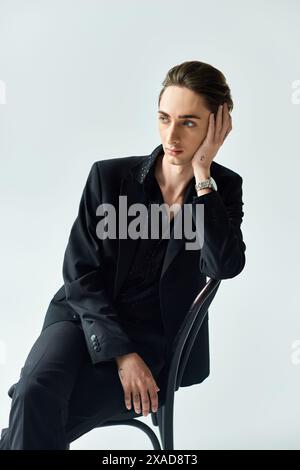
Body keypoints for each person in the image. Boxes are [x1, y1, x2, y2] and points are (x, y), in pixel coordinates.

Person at [0, 60, 246, 450]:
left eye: (189, 122)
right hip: (82, 318)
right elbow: (79, 273)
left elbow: (224, 266)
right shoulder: (109, 178)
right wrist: (122, 355)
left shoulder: (222, 189)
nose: (172, 134)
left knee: (39, 413)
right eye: (164, 118)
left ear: (217, 126)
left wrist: (203, 176)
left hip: (154, 342)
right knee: (35, 390)